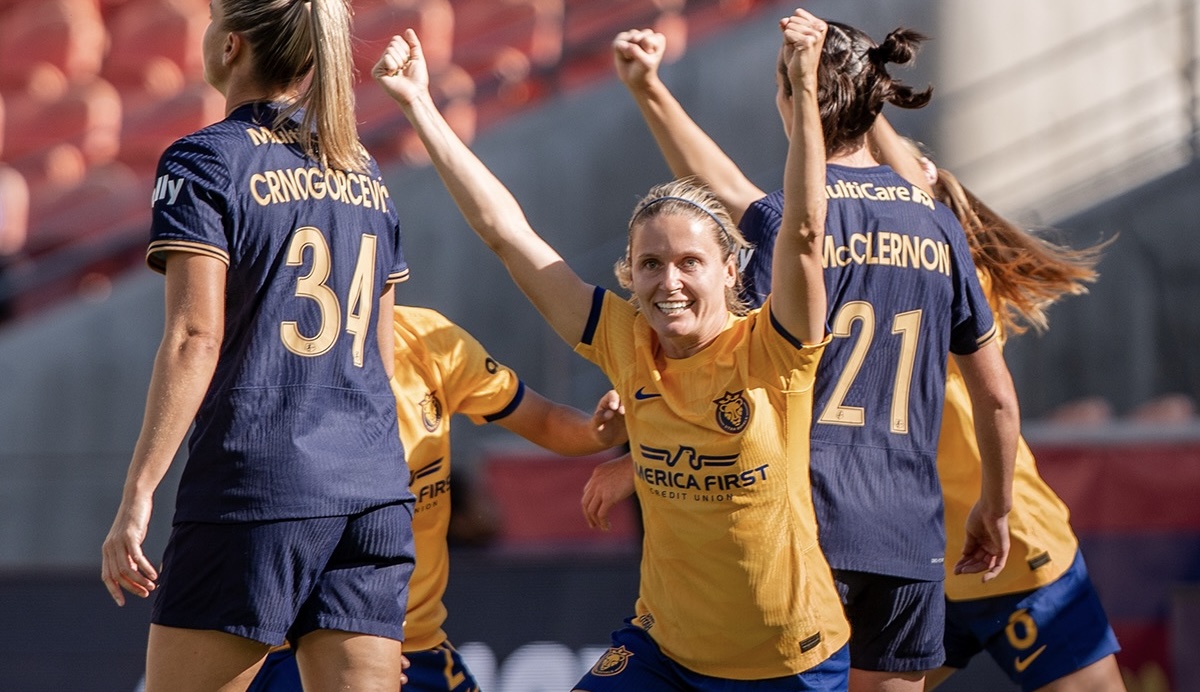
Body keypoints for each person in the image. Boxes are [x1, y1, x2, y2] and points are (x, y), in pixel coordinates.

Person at [376, 14, 853, 691]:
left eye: (691, 261)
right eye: (650, 264)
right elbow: (506, 235)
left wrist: (803, 87)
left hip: (789, 665)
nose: (670, 281)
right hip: (664, 654)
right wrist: (420, 103)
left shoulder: (774, 352)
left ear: (731, 272)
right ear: (629, 274)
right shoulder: (623, 337)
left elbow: (804, 234)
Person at [613, 18, 1020, 692]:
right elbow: (997, 396)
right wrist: (995, 505)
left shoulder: (788, 222)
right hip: (907, 541)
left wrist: (649, 89)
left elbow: (730, 194)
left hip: (804, 531)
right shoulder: (936, 224)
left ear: (791, 96)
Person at [100, 1, 415, 690]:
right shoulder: (364, 171)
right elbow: (382, 358)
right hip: (373, 492)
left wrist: (139, 493)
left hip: (258, 487)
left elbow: (193, 336)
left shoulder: (204, 158)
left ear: (231, 46)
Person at [247, 303, 630, 692]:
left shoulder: (429, 339)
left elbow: (544, 420)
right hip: (297, 650)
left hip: (419, 645)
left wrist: (598, 432)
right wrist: (348, 648)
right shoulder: (269, 352)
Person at [866, 127, 1125, 692]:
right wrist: (651, 94)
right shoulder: (858, 276)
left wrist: (858, 97)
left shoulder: (952, 268)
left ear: (924, 178)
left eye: (883, 165)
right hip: (925, 563)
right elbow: (743, 198)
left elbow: (906, 183)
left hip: (1008, 546)